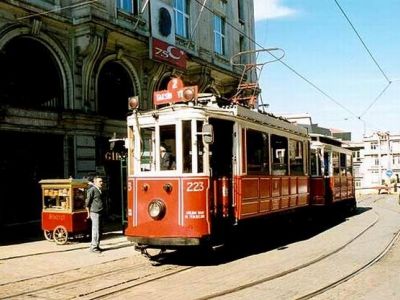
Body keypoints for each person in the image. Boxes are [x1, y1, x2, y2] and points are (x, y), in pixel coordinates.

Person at [85, 176, 105, 253]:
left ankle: (97, 245)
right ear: (95, 182)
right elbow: (87, 202)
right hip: (95, 212)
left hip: (100, 212)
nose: (101, 183)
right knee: (95, 230)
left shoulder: (100, 190)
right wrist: (88, 213)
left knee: (99, 230)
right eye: (100, 181)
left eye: (102, 181)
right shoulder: (92, 190)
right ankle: (93, 247)